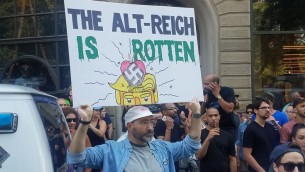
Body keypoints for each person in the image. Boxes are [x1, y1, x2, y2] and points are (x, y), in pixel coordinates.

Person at [67, 99, 202, 172]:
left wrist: (196, 113)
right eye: (144, 122)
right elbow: (76, 157)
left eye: (151, 122)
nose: (150, 127)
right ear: (129, 125)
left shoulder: (162, 148)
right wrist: (84, 122)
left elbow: (191, 145)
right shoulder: (112, 150)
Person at [196, 107, 236, 172]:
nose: (213, 118)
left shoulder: (228, 135)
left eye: (215, 115)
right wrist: (208, 139)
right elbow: (198, 156)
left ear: (219, 117)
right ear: (206, 118)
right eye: (210, 116)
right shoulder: (200, 134)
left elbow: (232, 159)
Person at [243, 98, 276, 172]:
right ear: (255, 110)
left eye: (268, 107)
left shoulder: (270, 127)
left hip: (271, 168)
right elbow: (247, 154)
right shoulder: (250, 129)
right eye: (264, 108)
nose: (267, 110)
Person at [201, 73, 238, 140]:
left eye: (207, 84)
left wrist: (217, 95)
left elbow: (229, 109)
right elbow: (202, 113)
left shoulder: (228, 91)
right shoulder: (206, 93)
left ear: (215, 84)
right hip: (212, 129)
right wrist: (204, 102)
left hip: (227, 128)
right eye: (204, 84)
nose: (204, 86)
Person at [154, 103, 189, 171]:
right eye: (171, 109)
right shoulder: (159, 124)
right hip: (165, 161)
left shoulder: (175, 124)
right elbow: (163, 147)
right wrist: (168, 128)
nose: (175, 110)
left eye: (175, 108)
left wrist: (185, 125)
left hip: (175, 159)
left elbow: (186, 141)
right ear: (164, 112)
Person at [62, 107, 91, 172]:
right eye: (68, 120)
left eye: (74, 120)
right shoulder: (56, 135)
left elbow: (89, 158)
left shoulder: (82, 135)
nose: (72, 123)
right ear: (62, 120)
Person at [236, 104, 252, 172]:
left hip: (255, 157)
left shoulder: (258, 126)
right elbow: (238, 142)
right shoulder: (241, 126)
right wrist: (237, 157)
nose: (250, 114)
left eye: (252, 112)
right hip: (243, 158)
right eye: (248, 112)